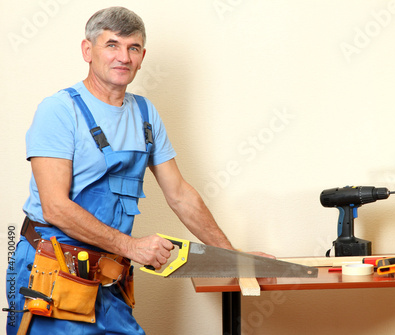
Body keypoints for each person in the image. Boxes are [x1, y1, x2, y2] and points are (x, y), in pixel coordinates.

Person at [6, 6, 270, 334]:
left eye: (132, 48)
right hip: (51, 273)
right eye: (112, 45)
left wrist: (231, 257)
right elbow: (55, 207)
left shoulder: (145, 114)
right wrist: (132, 247)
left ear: (142, 57)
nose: (123, 57)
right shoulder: (60, 111)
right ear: (88, 51)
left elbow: (180, 194)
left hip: (107, 274)